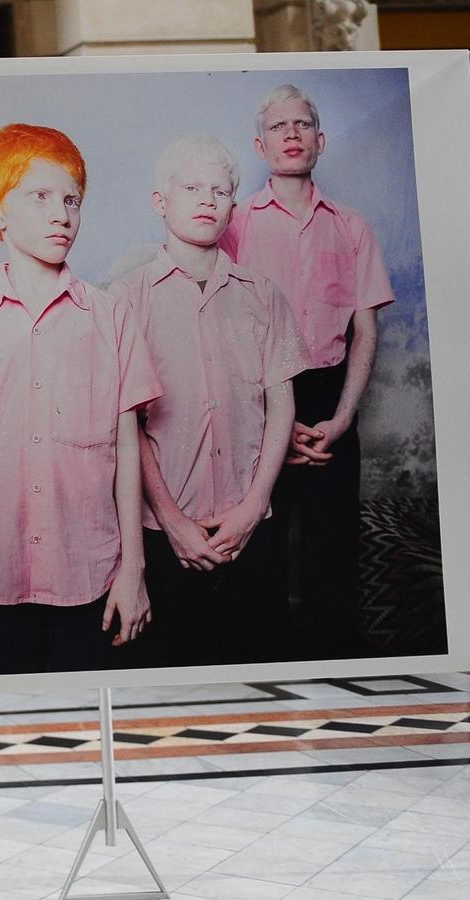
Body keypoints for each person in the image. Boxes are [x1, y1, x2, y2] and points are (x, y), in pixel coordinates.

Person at [0, 124, 161, 674]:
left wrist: (133, 573)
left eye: (72, 200)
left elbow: (128, 451)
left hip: (91, 574)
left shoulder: (111, 319)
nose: (62, 214)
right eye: (40, 197)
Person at [112, 134, 310, 666]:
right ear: (160, 201)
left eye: (220, 190)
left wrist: (252, 508)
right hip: (165, 531)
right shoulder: (125, 300)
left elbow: (281, 408)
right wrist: (173, 521)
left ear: (233, 206)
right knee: (173, 677)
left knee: (257, 670)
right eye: (192, 187)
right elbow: (128, 424)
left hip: (250, 527)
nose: (207, 199)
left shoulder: (262, 295)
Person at [219, 85, 395, 659]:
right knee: (258, 548)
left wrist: (341, 421)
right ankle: (260, 676)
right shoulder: (236, 224)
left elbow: (364, 331)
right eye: (278, 127)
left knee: (331, 550)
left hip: (327, 399)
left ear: (319, 141)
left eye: (302, 125)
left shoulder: (351, 227)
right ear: (260, 144)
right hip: (258, 398)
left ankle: (333, 676)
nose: (291, 134)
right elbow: (220, 327)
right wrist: (275, 420)